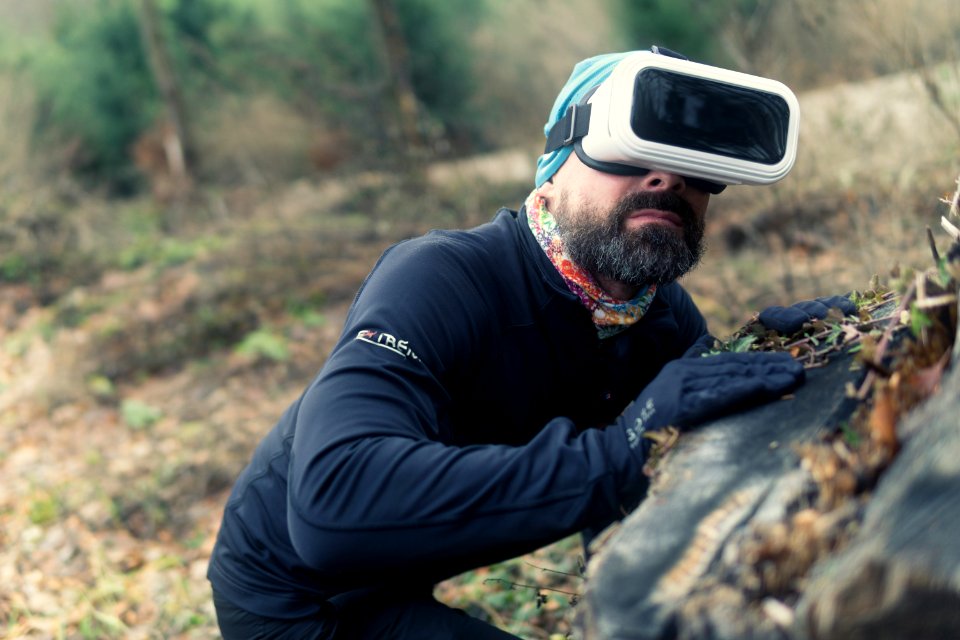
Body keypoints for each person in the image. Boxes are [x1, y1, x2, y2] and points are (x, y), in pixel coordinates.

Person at [207, 47, 850, 639]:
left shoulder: (658, 316)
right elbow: (333, 506)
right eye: (628, 148)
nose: (667, 178)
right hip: (295, 596)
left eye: (693, 164)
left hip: (409, 559)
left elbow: (675, 449)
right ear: (554, 166)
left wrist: (760, 351)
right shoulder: (441, 278)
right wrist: (622, 448)